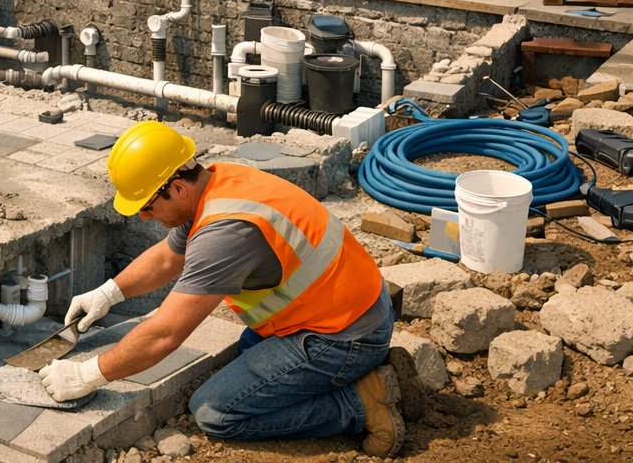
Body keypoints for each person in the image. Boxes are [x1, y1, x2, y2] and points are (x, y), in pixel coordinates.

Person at [40, 121, 403, 457]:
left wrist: (87, 375)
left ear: (177, 188)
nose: (144, 218)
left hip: (345, 338)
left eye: (147, 207)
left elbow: (165, 334)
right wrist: (108, 293)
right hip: (348, 311)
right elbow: (168, 257)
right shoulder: (218, 183)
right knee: (244, 361)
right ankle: (353, 378)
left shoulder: (225, 233)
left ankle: (357, 404)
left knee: (215, 411)